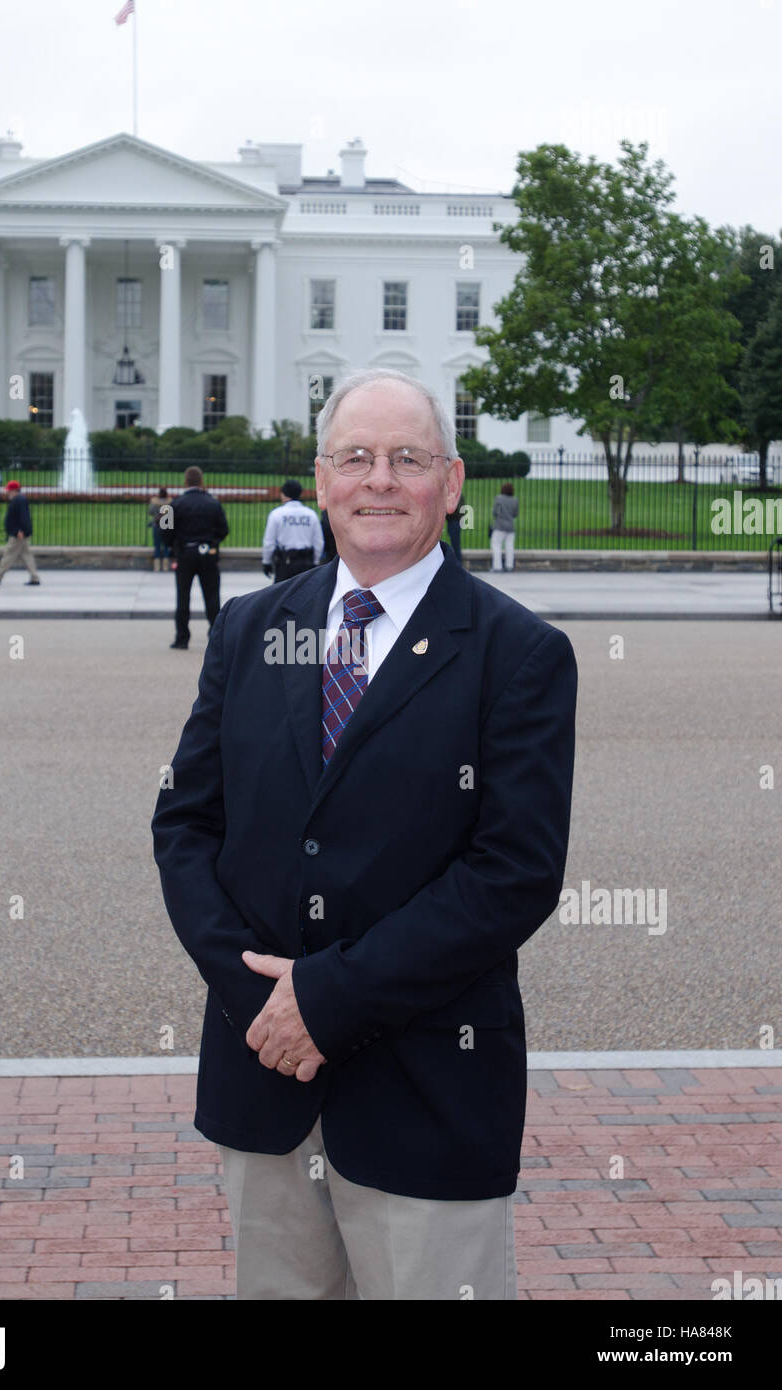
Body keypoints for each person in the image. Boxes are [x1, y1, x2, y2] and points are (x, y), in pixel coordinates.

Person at [152, 366, 577, 1301]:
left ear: (451, 482)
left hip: (428, 1093)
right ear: (322, 477)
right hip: (265, 1083)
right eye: (355, 457)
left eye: (406, 459)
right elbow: (186, 823)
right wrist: (262, 1004)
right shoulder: (250, 631)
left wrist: (328, 1001)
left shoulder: (520, 654)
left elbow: (513, 874)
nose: (378, 480)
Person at [168, 466, 228, 649]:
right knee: (212, 597)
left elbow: (164, 530)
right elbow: (224, 529)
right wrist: (213, 543)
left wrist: (175, 547)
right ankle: (216, 636)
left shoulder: (173, 504)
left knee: (183, 597)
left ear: (185, 481)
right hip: (207, 552)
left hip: (185, 553)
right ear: (201, 481)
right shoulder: (213, 503)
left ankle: (182, 637)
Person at [261, 479, 324, 583]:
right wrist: (315, 561)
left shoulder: (276, 514)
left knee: (283, 596)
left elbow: (269, 543)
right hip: (306, 562)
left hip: (284, 562)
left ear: (284, 494)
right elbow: (318, 542)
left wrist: (266, 562)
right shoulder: (311, 514)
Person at [0, 480, 40, 586]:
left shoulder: (19, 500)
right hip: (20, 533)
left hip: (18, 534)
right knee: (26, 555)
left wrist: (19, 531)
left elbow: (23, 518)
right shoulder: (20, 499)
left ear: (14, 490)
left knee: (8, 554)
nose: (7, 493)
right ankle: (34, 577)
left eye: (9, 491)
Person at [491, 482, 519, 572]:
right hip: (510, 526)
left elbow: (495, 512)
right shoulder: (515, 500)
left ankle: (497, 566)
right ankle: (509, 566)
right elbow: (515, 514)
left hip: (500, 526)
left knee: (496, 545)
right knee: (509, 546)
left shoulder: (499, 498)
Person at [147, 487, 172, 572]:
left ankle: (157, 567)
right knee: (166, 546)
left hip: (156, 525)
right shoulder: (170, 503)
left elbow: (150, 512)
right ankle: (165, 567)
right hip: (167, 526)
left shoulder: (154, 503)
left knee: (157, 545)